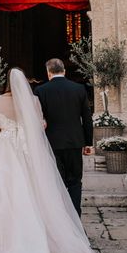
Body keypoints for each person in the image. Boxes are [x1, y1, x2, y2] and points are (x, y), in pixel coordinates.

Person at [0, 68, 114, 253]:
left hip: (7, 152)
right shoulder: (34, 101)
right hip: (28, 152)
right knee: (34, 192)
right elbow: (41, 126)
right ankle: (45, 238)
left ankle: (4, 244)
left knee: (4, 195)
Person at [34, 58, 93, 217]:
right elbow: (87, 118)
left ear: (48, 72)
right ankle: (75, 218)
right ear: (64, 71)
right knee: (75, 182)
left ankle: (59, 219)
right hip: (75, 142)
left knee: (55, 183)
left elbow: (38, 119)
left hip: (51, 143)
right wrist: (88, 143)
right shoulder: (79, 89)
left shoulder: (40, 91)